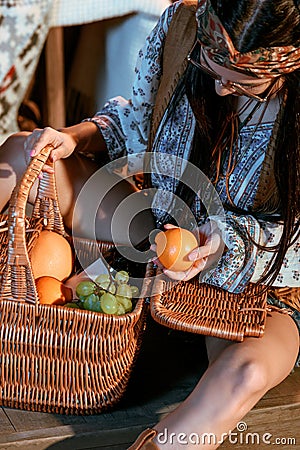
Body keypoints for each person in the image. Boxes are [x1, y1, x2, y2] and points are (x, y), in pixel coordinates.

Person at [0, 0, 299, 448]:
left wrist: (223, 244)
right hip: (157, 230)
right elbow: (134, 122)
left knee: (245, 374)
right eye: (210, 66)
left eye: (244, 84)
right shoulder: (181, 25)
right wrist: (73, 137)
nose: (219, 89)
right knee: (20, 155)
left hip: (258, 287)